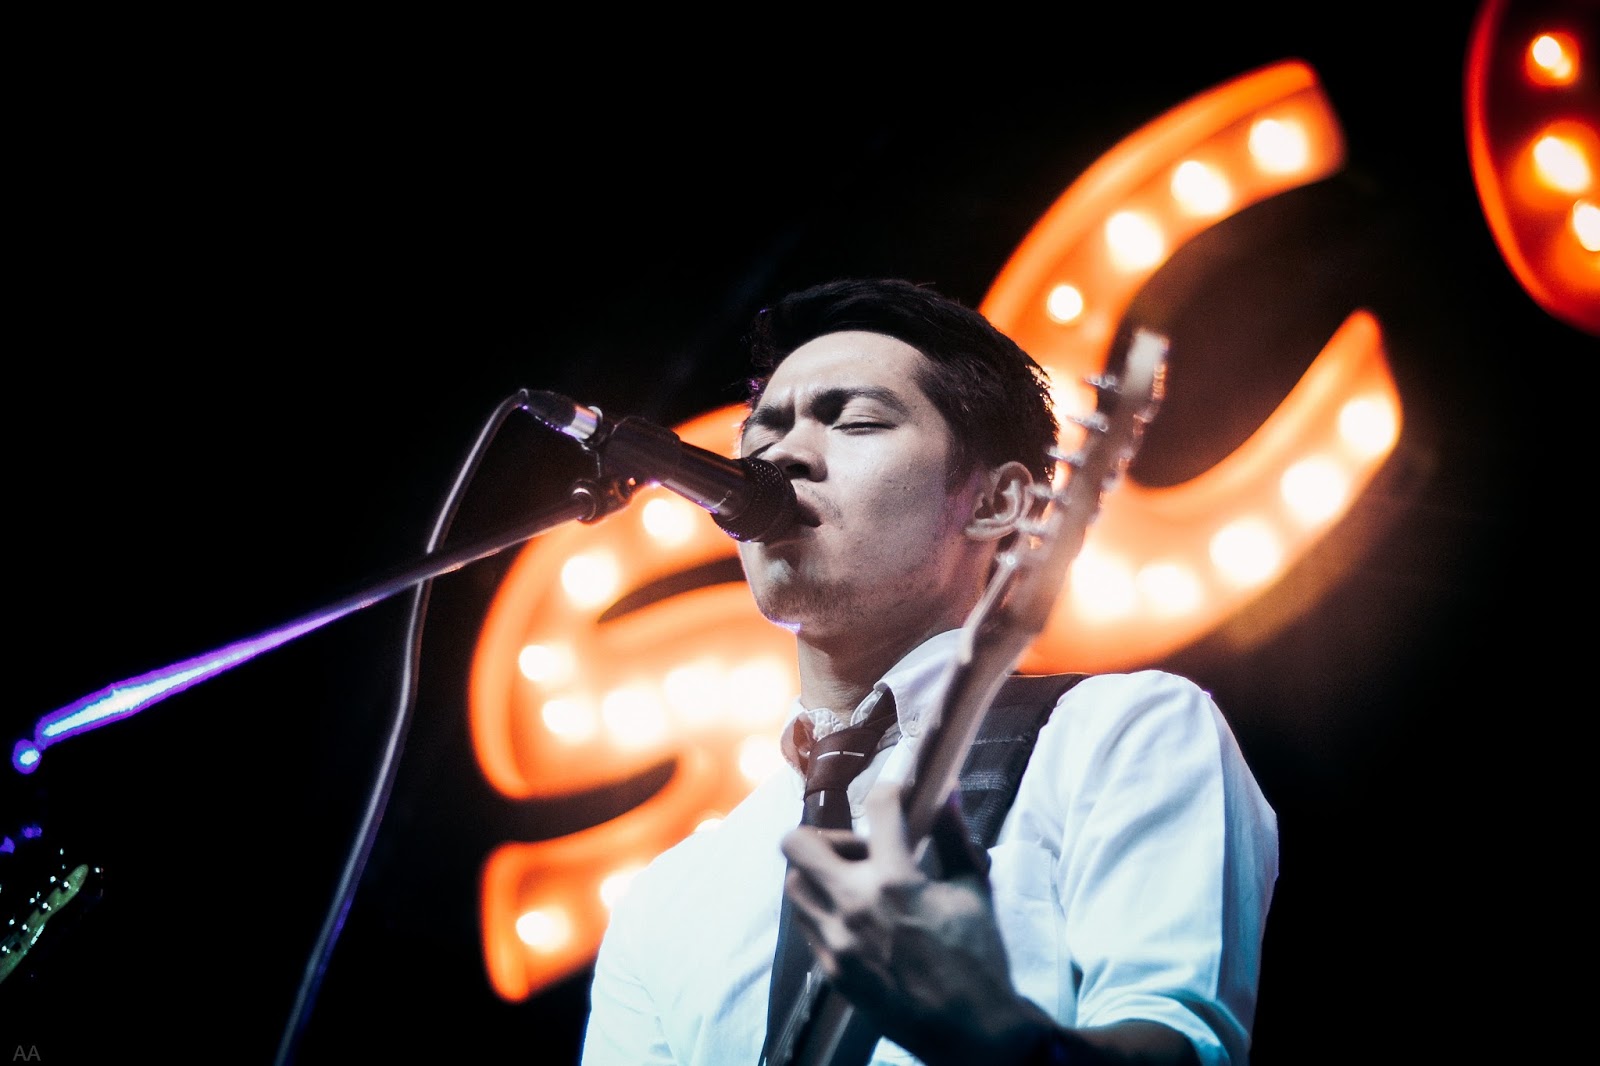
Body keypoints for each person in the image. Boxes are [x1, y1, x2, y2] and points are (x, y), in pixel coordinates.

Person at [579, 278, 1279, 1066]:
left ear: (998, 503)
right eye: (763, 432)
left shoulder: (1122, 733)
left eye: (857, 421)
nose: (784, 455)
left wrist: (998, 1037)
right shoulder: (668, 896)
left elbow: (1178, 1049)